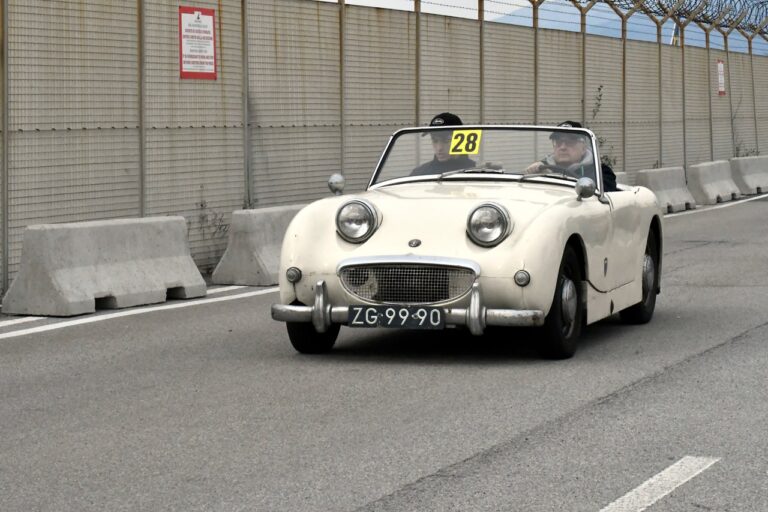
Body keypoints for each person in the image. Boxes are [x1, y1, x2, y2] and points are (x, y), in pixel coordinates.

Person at [525, 121, 617, 192]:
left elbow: (602, 201)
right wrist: (534, 172)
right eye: (558, 142)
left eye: (570, 142)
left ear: (583, 148)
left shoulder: (600, 172)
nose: (563, 147)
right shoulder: (542, 169)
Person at [411, 112, 476, 176]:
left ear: (462, 139)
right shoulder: (419, 173)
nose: (439, 148)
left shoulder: (477, 172)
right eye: (435, 141)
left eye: (447, 140)